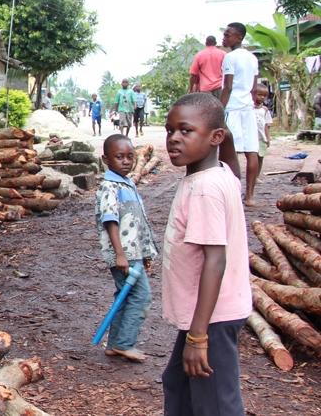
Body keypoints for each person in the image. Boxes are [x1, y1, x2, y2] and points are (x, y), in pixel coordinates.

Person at [161, 92, 251, 416]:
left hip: (212, 317)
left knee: (216, 404)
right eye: (169, 130)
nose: (174, 139)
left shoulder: (205, 189)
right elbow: (230, 158)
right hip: (206, 312)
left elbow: (216, 260)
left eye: (186, 131)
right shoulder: (223, 173)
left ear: (215, 137)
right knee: (177, 382)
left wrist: (198, 338)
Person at [95, 134, 158, 362]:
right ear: (106, 159)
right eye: (119, 157)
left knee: (125, 296)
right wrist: (120, 254)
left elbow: (137, 222)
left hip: (134, 253)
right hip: (124, 255)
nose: (126, 161)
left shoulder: (128, 183)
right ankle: (124, 343)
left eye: (130, 157)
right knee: (141, 297)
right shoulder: (110, 186)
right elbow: (110, 220)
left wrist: (147, 254)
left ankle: (114, 344)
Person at [219, 22, 260, 206]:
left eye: (228, 35)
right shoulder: (252, 58)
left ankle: (233, 195)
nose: (224, 38)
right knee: (252, 152)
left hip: (233, 108)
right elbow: (253, 87)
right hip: (248, 108)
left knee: (228, 152)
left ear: (239, 38)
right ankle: (250, 196)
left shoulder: (230, 58)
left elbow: (227, 87)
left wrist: (219, 110)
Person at [253, 84, 272, 176]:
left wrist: (267, 137)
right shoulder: (249, 109)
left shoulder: (264, 110)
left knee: (260, 157)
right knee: (253, 157)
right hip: (251, 138)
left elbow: (266, 124)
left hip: (261, 138)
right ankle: (252, 175)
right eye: (259, 95)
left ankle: (257, 176)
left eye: (264, 95)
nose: (262, 97)